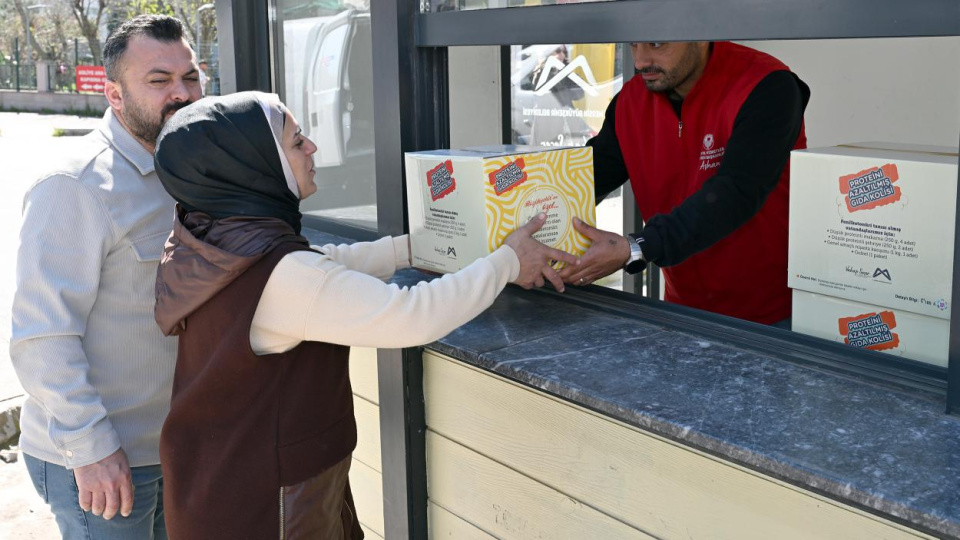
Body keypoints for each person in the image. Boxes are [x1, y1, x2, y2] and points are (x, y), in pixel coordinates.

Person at [151, 91, 578, 539]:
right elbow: (410, 315)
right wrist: (508, 261)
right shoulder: (280, 277)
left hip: (219, 482)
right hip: (266, 505)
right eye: (296, 142)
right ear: (254, 166)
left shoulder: (209, 238)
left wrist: (412, 248)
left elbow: (321, 262)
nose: (313, 147)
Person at [10, 15, 201, 539]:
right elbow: (40, 337)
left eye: (191, 78)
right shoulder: (74, 185)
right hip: (105, 461)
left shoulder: (188, 168)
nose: (182, 94)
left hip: (175, 448)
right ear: (114, 95)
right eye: (159, 81)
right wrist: (92, 450)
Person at [560, 41, 810, 325]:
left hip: (776, 315)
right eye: (634, 45)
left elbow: (738, 191)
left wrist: (636, 247)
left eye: (656, 44)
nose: (641, 61)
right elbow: (587, 178)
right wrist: (520, 227)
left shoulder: (767, 85)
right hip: (684, 309)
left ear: (699, 34)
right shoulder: (630, 101)